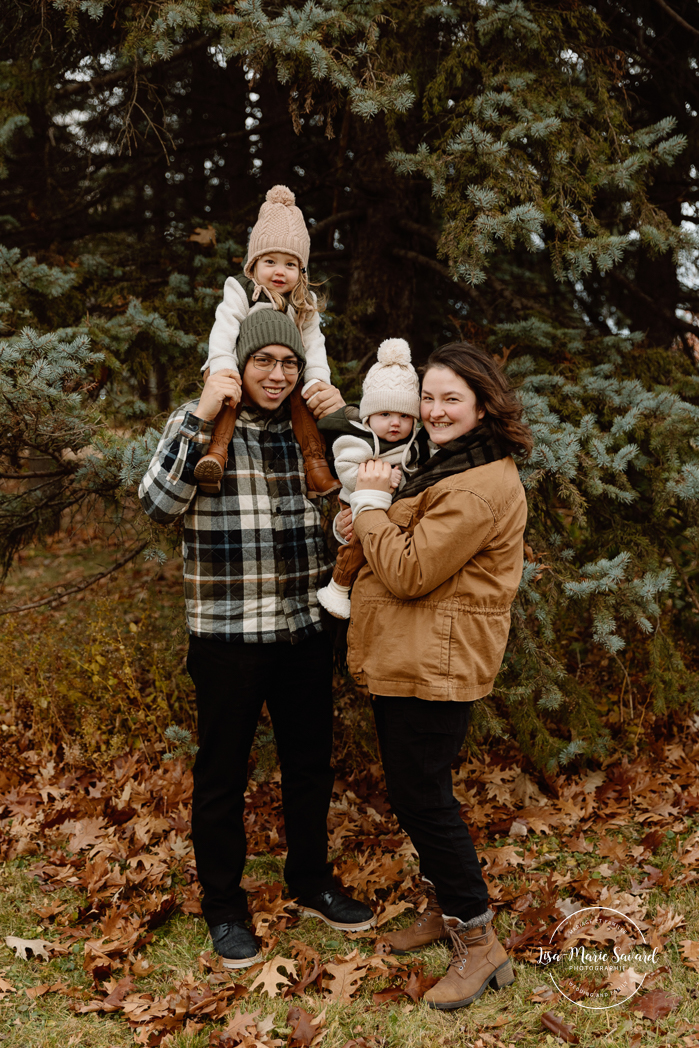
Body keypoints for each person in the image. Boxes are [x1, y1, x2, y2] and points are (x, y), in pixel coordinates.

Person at [138, 309, 375, 970]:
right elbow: (157, 506)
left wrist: (344, 534)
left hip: (302, 632)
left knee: (309, 767)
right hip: (227, 637)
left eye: (288, 363)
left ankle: (311, 882)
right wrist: (198, 414)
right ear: (239, 365)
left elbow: (331, 521)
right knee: (221, 777)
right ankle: (223, 906)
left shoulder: (312, 432)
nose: (277, 375)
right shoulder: (204, 422)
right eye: (264, 362)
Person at [342, 342, 533, 1010]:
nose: (434, 410)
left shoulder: (481, 485)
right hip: (412, 653)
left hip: (439, 661)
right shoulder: (445, 463)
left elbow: (408, 569)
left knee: (425, 797)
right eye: (428, 396)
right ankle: (445, 911)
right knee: (414, 791)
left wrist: (367, 505)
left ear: (483, 404)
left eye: (451, 398)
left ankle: (479, 945)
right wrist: (374, 511)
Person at [193, 184, 339, 498]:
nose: (279, 271)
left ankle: (316, 467)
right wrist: (221, 365)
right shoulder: (242, 290)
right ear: (253, 265)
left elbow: (314, 344)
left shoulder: (304, 302)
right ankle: (216, 454)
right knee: (229, 396)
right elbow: (225, 327)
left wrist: (317, 381)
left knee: (303, 402)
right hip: (235, 368)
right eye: (269, 262)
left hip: (282, 377)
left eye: (290, 264)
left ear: (301, 269)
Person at [316, 338, 421, 619]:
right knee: (356, 546)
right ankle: (338, 588)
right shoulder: (359, 441)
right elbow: (347, 471)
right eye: (385, 414)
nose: (395, 423)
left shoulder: (414, 444)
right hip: (355, 504)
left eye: (404, 415)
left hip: (389, 514)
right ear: (368, 417)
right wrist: (384, 478)